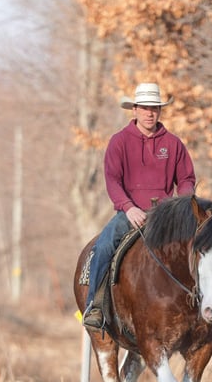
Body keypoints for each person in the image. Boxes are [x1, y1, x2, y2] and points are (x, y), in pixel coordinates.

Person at [83, 82, 196, 329]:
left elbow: (186, 179)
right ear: (134, 110)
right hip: (130, 213)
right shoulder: (119, 141)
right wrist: (128, 206)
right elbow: (112, 180)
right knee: (103, 246)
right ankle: (96, 306)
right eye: (144, 108)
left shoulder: (174, 144)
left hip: (165, 215)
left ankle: (211, 302)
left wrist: (182, 204)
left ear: (160, 111)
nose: (149, 113)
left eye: (154, 108)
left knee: (201, 243)